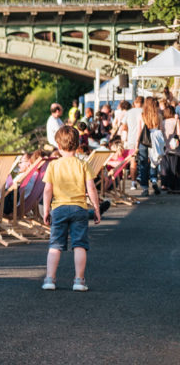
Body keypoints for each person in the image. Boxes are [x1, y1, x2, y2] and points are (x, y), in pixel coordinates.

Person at [42, 125, 101, 292]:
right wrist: (96, 208)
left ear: (58, 146)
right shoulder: (83, 164)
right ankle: (79, 281)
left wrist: (46, 210)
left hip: (59, 208)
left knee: (55, 245)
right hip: (79, 208)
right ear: (78, 144)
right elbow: (91, 188)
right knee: (79, 244)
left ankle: (50, 279)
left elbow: (47, 190)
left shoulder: (53, 165)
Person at [135, 96, 164, 196]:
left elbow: (139, 131)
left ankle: (145, 188)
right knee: (154, 160)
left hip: (144, 140)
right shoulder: (159, 115)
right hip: (155, 139)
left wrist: (136, 145)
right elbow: (161, 130)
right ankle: (154, 180)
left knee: (143, 163)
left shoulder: (141, 115)